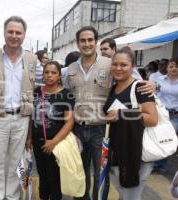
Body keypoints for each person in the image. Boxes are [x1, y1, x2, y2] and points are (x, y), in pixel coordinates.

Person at [68, 26, 155, 200]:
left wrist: (153, 85)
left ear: (96, 41)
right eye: (82, 40)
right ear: (78, 43)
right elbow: (60, 87)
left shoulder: (110, 64)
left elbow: (133, 79)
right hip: (78, 128)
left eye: (90, 40)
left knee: (101, 174)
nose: (86, 44)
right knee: (80, 172)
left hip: (102, 130)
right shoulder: (70, 68)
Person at [0, 16, 37, 200]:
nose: (14, 36)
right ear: (4, 33)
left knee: (16, 160)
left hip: (22, 117)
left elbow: (42, 82)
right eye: (11, 32)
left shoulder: (32, 59)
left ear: (24, 35)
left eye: (18, 32)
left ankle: (13, 195)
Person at [103, 47, 157, 200]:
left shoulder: (140, 87)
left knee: (130, 196)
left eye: (123, 65)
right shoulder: (114, 87)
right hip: (119, 151)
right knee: (124, 194)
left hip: (136, 153)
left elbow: (152, 119)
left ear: (132, 66)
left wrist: (121, 114)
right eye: (115, 64)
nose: (118, 68)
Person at [26, 60, 74, 200]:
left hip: (57, 144)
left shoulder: (66, 95)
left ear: (59, 76)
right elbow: (31, 117)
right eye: (46, 72)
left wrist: (54, 142)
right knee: (42, 175)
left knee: (55, 177)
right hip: (38, 142)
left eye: (53, 73)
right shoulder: (36, 92)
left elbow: (69, 122)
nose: (49, 75)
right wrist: (29, 138)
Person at [153, 57, 178, 173]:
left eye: (176, 66)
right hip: (161, 113)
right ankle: (155, 162)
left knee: (167, 138)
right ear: (167, 68)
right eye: (171, 66)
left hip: (175, 115)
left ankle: (161, 165)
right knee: (157, 136)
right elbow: (155, 94)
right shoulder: (160, 80)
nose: (174, 68)